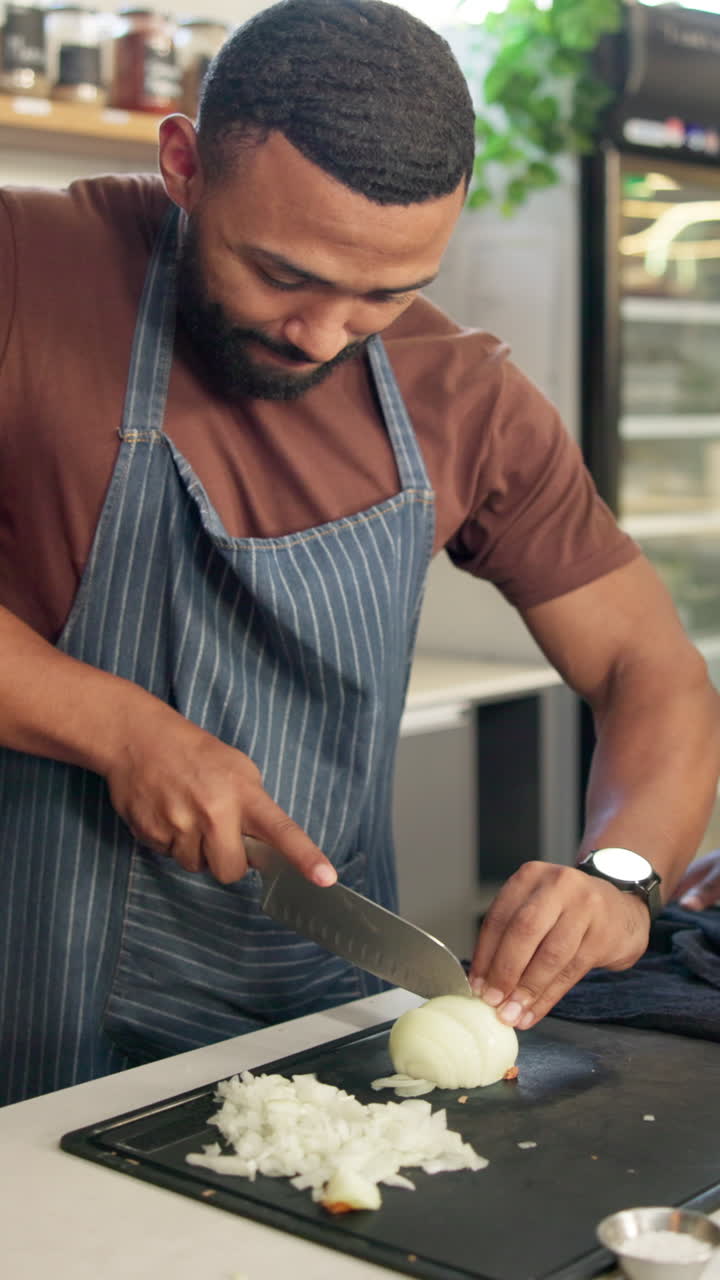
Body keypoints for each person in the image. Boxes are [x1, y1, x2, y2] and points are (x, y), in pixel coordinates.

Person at [0, 0, 718, 1108]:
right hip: (20, 988)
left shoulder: (465, 398)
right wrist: (120, 726)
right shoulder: (25, 272)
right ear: (185, 164)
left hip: (314, 1012)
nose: (323, 333)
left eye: (387, 293)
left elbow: (650, 668)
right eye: (283, 273)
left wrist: (619, 872)